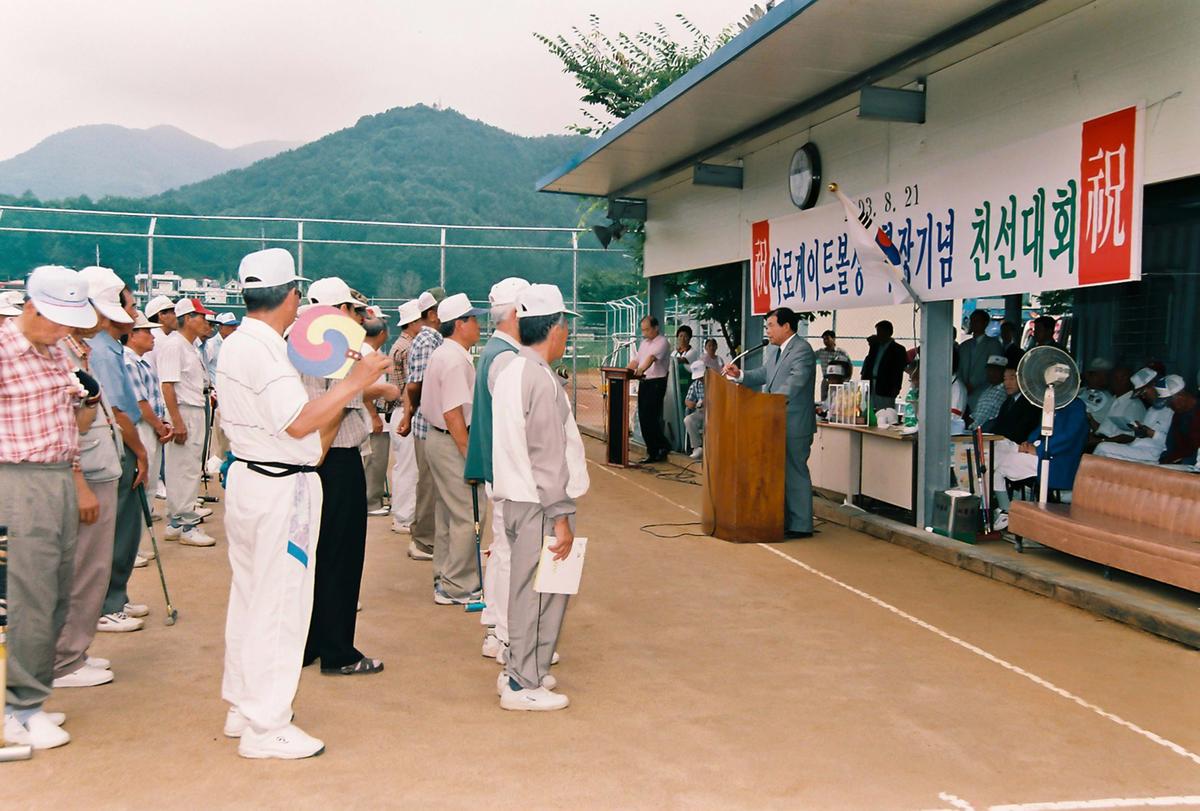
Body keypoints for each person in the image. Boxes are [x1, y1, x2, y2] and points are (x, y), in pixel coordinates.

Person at [217, 248, 389, 759]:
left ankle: (244, 705)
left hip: (254, 479)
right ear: (291, 295)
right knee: (280, 603)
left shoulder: (239, 343)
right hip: (278, 484)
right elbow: (297, 422)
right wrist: (353, 384)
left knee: (250, 598)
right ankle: (266, 725)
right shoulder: (266, 349)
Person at [2, 265, 98, 751]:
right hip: (17, 478)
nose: (64, 331)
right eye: (57, 319)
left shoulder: (58, 350)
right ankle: (16, 709)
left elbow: (73, 421)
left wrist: (86, 398)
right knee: (28, 598)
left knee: (57, 591)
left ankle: (31, 699)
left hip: (59, 473)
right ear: (32, 306)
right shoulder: (3, 350)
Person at [492, 283, 587, 711]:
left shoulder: (512, 369)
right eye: (565, 325)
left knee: (532, 588)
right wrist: (562, 515)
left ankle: (525, 667)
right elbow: (547, 455)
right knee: (541, 591)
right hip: (539, 504)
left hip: (517, 498)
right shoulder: (540, 379)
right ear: (554, 328)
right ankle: (521, 681)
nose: (566, 334)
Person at [300, 276, 387, 676]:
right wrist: (318, 458)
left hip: (313, 461)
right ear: (339, 312)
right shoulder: (337, 351)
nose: (357, 318)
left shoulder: (302, 346)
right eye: (353, 310)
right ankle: (338, 651)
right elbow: (334, 412)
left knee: (317, 558)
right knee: (342, 556)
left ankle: (311, 641)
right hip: (334, 459)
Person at [77, 268, 157, 631]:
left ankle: (116, 596)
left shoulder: (105, 349)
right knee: (118, 528)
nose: (134, 308)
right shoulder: (104, 353)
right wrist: (140, 452)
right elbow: (121, 412)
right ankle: (109, 602)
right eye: (129, 303)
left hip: (115, 444)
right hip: (116, 446)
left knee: (121, 526)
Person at [52, 302, 126, 689]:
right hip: (85, 469)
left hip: (98, 465)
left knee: (90, 567)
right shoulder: (60, 351)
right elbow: (68, 424)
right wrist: (79, 480)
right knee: (82, 566)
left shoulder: (78, 348)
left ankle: (73, 651)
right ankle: (64, 658)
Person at [463, 277, 529, 661]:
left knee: (503, 551)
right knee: (509, 555)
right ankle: (506, 635)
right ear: (517, 313)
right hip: (508, 474)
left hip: (499, 471)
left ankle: (498, 630)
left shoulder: (497, 351)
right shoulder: (505, 357)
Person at [723, 307, 816, 537]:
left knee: (795, 472)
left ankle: (802, 525)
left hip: (794, 424)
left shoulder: (802, 350)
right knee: (778, 473)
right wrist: (740, 375)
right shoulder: (776, 351)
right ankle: (783, 519)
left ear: (786, 326)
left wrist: (768, 404)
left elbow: (795, 383)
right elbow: (766, 374)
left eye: (771, 326)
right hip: (775, 422)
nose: (768, 331)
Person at [422, 292, 487, 605]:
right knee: (468, 513)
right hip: (451, 440)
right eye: (473, 318)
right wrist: (470, 458)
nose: (478, 323)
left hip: (440, 439)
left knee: (449, 514)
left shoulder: (446, 353)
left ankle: (445, 578)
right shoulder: (454, 359)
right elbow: (453, 413)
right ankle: (458, 585)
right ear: (460, 324)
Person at [157, 296, 217, 545]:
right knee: (185, 469)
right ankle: (186, 524)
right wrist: (178, 422)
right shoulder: (175, 345)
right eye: (201, 317)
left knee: (187, 466)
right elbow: (167, 386)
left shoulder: (188, 345)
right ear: (188, 319)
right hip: (184, 410)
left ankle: (176, 521)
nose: (206, 322)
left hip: (194, 407)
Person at [397, 290, 444, 563]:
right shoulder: (428, 338)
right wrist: (411, 410)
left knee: (429, 484)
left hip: (426, 421)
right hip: (428, 424)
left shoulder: (430, 337)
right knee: (428, 485)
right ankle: (423, 542)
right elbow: (417, 383)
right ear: (433, 314)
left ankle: (425, 536)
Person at [124, 311, 174, 562]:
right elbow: (140, 403)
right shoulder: (129, 362)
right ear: (132, 335)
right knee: (140, 486)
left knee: (150, 484)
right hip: (142, 427)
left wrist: (162, 423)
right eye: (147, 331)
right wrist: (158, 425)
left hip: (152, 425)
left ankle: (139, 543)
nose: (153, 336)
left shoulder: (142, 362)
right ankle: (130, 548)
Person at [387, 300, 422, 539]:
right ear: (412, 323)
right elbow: (411, 386)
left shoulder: (400, 344)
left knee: (404, 467)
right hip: (405, 410)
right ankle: (403, 517)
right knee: (408, 469)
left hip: (400, 410)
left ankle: (403, 514)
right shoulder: (408, 348)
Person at [1095, 372, 1174, 464]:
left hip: (1153, 453)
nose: (1143, 396)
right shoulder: (1151, 409)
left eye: (1143, 392)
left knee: (1102, 448)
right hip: (1137, 447)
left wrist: (1151, 433)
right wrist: (1139, 430)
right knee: (1103, 450)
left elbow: (1171, 442)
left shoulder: (1170, 410)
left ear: (1154, 386)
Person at [360, 316, 396, 516]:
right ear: (382, 334)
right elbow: (363, 388)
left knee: (374, 459)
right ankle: (371, 502)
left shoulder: (367, 351)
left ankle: (372, 498)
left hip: (370, 415)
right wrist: (374, 416)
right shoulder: (367, 355)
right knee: (375, 459)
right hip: (371, 415)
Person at [627, 315, 671, 464]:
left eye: (647, 329)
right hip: (645, 382)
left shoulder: (662, 342)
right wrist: (626, 371)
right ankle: (653, 451)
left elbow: (651, 358)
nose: (644, 333)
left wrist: (639, 370)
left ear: (656, 327)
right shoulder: (644, 343)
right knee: (644, 417)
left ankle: (662, 447)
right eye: (643, 330)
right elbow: (637, 360)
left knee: (651, 417)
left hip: (657, 382)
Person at [1091, 366, 1150, 445]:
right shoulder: (1113, 400)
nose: (1118, 381)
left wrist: (1100, 441)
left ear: (1131, 381)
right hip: (1101, 440)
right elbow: (1103, 430)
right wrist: (1089, 418)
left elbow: (1128, 437)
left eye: (1123, 378)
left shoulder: (1134, 405)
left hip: (1114, 447)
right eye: (1115, 378)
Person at [958, 310, 1004, 414]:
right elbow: (958, 368)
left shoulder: (993, 344)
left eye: (977, 320)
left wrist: (973, 384)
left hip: (983, 393)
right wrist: (962, 385)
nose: (973, 323)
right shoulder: (964, 346)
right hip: (963, 393)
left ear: (985, 323)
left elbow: (994, 369)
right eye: (972, 320)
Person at [861, 320, 907, 412]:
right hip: (871, 384)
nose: (879, 335)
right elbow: (869, 362)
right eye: (877, 332)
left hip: (886, 386)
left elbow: (898, 371)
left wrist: (896, 388)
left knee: (884, 413)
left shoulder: (898, 349)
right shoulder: (875, 346)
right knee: (869, 411)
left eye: (881, 332)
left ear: (889, 332)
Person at [1161, 382, 1200, 465]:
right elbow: (1171, 444)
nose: (1168, 406)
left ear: (1180, 396)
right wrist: (1166, 459)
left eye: (1169, 402)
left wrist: (1186, 461)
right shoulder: (1178, 416)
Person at [966, 355, 1008, 432]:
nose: (992, 373)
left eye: (996, 370)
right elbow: (976, 414)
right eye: (990, 370)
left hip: (987, 433)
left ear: (1003, 372)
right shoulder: (987, 390)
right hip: (974, 431)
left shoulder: (1004, 390)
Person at [815, 329, 852, 402]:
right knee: (824, 399)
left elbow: (849, 365)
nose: (825, 341)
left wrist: (847, 379)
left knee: (836, 399)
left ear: (834, 339)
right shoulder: (821, 352)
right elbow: (809, 357)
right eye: (824, 339)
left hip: (837, 380)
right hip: (826, 379)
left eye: (827, 338)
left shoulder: (841, 352)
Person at [683, 358, 707, 460]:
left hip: (716, 411)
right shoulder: (696, 384)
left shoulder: (715, 381)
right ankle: (697, 447)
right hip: (702, 411)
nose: (700, 379)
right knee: (688, 419)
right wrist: (695, 404)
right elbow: (687, 401)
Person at [1081, 358, 1115, 424]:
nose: (1101, 379)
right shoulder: (1080, 391)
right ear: (1088, 375)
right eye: (1097, 375)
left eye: (1104, 375)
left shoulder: (1108, 398)